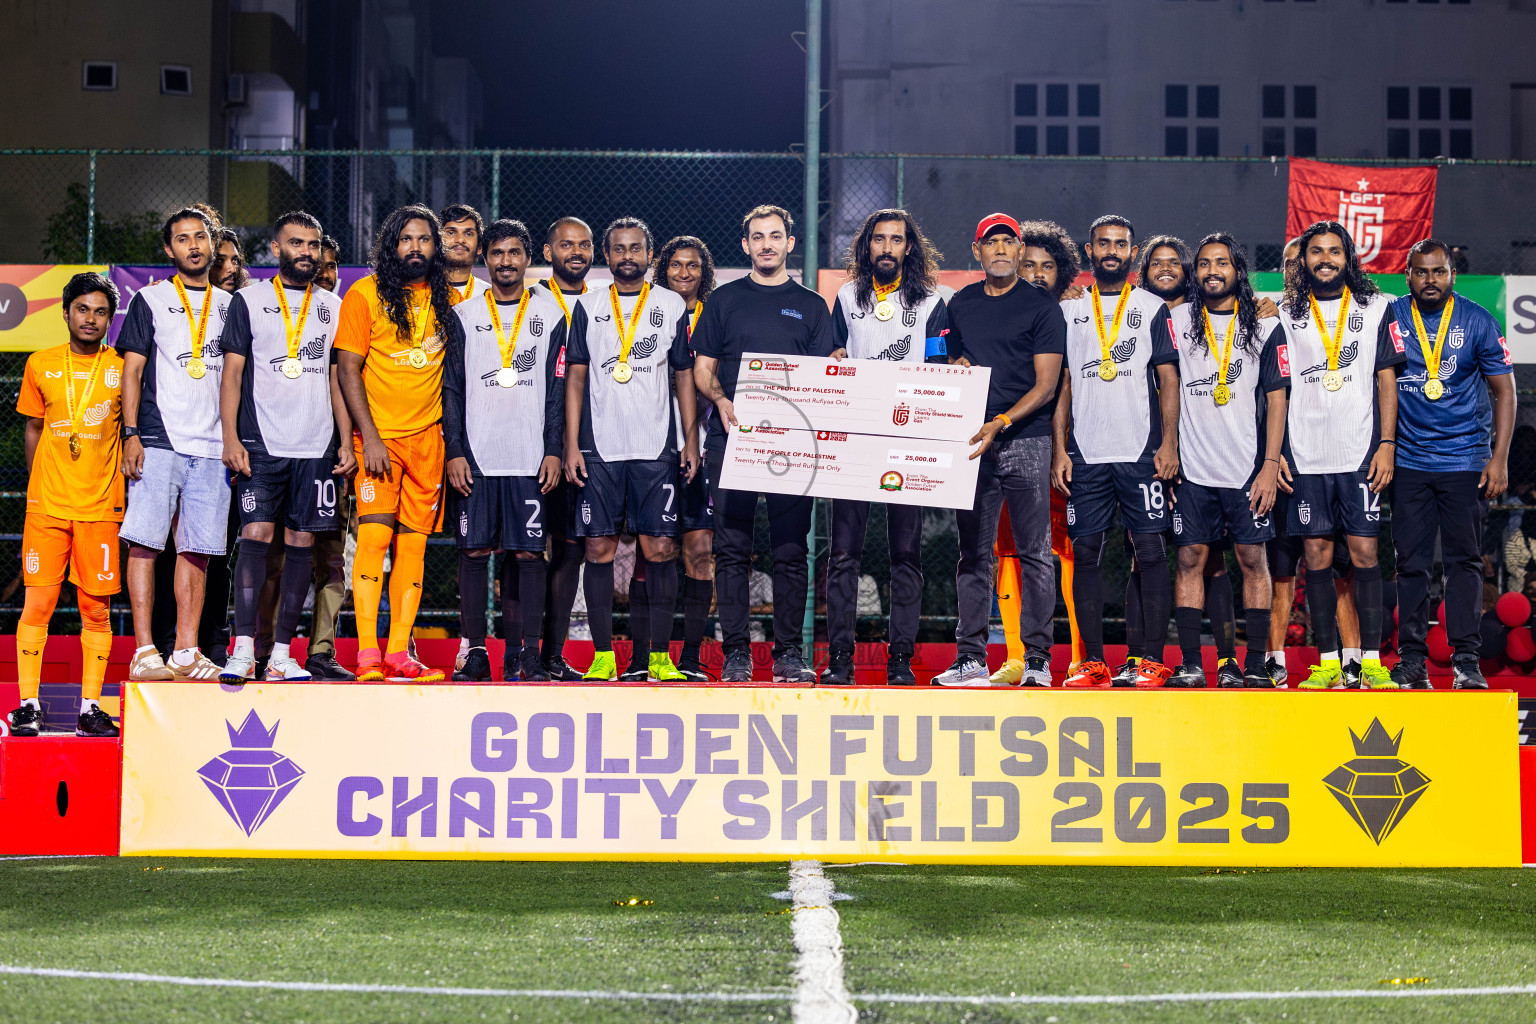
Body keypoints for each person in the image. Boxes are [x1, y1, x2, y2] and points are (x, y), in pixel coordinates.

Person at [692, 204, 837, 683]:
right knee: (732, 550)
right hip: (731, 440)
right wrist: (722, 400)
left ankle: (789, 654)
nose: (767, 244)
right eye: (758, 237)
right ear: (746, 245)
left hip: (794, 448)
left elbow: (825, 380)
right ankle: (735, 651)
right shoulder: (723, 300)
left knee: (792, 551)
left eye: (776, 236)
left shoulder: (814, 306)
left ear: (790, 243)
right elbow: (703, 372)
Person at [217, 211, 354, 682]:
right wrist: (231, 437)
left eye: (314, 245)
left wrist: (345, 442)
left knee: (302, 542)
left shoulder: (334, 307)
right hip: (261, 442)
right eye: (297, 243)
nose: (306, 252)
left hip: (316, 445)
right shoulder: (248, 301)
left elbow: (338, 377)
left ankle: (280, 655)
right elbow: (231, 374)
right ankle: (242, 650)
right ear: (276, 249)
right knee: (254, 538)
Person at [933, 212, 1066, 687]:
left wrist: (1003, 421)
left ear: (1019, 248)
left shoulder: (1041, 306)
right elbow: (941, 359)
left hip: (1025, 440)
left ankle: (1036, 661)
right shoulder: (960, 304)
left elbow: (1047, 386)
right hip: (973, 443)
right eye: (992, 242)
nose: (1002, 250)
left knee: (1034, 552)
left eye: (1010, 241)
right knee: (973, 554)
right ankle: (970, 659)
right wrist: (953, 362)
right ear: (978, 251)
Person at [816, 209, 948, 686]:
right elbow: (833, 354)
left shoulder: (932, 302)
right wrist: (834, 358)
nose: (887, 248)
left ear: (909, 248)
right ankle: (841, 659)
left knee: (905, 556)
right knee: (844, 555)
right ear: (867, 247)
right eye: (879, 239)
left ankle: (900, 659)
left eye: (896, 240)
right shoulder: (847, 297)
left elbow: (938, 364)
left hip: (906, 440)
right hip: (854, 439)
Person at [565, 217, 698, 682]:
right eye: (618, 249)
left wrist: (690, 441)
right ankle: (603, 655)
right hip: (600, 449)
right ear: (608, 255)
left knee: (660, 550)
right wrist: (571, 445)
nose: (627, 256)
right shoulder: (588, 306)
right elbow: (576, 378)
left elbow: (683, 376)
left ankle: (659, 656)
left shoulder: (670, 305)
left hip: (654, 446)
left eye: (636, 248)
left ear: (648, 252)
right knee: (598, 548)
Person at [335, 204, 460, 682]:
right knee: (372, 540)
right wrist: (368, 435)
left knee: (414, 550)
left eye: (424, 239)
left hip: (428, 442)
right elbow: (347, 368)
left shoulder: (446, 298)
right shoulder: (364, 294)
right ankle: (367, 653)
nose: (415, 247)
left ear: (435, 246)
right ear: (392, 244)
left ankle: (399, 654)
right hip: (378, 441)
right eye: (406, 239)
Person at [1053, 215, 1178, 689]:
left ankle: (1147, 660)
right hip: (1086, 454)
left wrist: (1169, 443)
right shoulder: (1070, 310)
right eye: (1102, 243)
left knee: (1148, 551)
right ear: (1089, 251)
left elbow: (1169, 380)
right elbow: (1063, 383)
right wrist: (1059, 449)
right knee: (1085, 552)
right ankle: (1092, 663)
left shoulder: (1152, 307)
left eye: (1120, 244)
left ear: (1132, 252)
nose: (1111, 251)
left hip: (1141, 451)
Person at [1280, 221, 1405, 690]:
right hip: (1307, 455)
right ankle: (1330, 662)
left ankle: (1370, 662)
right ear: (1305, 259)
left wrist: (1387, 445)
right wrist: (1278, 455)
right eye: (1317, 251)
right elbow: (1278, 390)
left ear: (1348, 257)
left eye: (1334, 250)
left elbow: (1386, 381)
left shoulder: (1377, 308)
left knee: (1365, 552)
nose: (1325, 259)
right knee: (1315, 555)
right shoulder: (1285, 313)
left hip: (1359, 453)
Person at [1113, 234, 1241, 686]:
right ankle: (1138, 658)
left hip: (1202, 452)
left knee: (1210, 559)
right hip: (1143, 451)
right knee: (1142, 555)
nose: (1165, 270)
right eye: (1155, 264)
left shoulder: (1202, 315)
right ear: (1142, 272)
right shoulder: (1127, 313)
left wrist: (1267, 305)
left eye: (1175, 263)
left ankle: (1225, 660)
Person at [1389, 238, 1515, 690]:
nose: (1430, 280)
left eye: (1438, 272)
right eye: (1421, 272)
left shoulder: (1478, 320)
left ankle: (1465, 660)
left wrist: (1498, 458)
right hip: (1407, 460)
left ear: (1452, 275)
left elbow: (1505, 390)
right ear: (1408, 275)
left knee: (1465, 561)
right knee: (1411, 563)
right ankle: (1412, 661)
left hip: (1464, 459)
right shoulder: (1392, 318)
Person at [443, 219, 564, 682]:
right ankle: (475, 653)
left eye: (515, 253)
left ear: (527, 258)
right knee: (474, 555)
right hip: (477, 457)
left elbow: (556, 392)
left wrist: (553, 449)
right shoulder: (464, 315)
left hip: (530, 458)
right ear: (485, 259)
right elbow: (451, 389)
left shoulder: (550, 315)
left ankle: (524, 654)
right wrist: (455, 450)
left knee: (529, 555)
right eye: (497, 253)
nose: (506, 261)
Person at [1166, 234, 1288, 689]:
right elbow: (1164, 385)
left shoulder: (1262, 324)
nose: (1212, 270)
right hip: (1194, 468)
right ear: (1195, 272)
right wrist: (1169, 451)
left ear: (1238, 269)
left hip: (1246, 468)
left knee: (1253, 559)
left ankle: (1255, 663)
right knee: (1190, 559)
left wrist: (1270, 464)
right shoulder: (1176, 320)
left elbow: (1277, 399)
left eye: (1222, 262)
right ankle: (1193, 663)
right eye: (1203, 264)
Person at [8, 273, 124, 738]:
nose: (90, 318)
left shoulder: (122, 366)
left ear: (110, 320)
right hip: (48, 506)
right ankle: (28, 706)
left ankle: (91, 706)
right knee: (38, 604)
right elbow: (33, 428)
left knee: (96, 611)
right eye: (82, 309)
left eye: (100, 311)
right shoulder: (40, 363)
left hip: (101, 506)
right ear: (65, 312)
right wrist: (41, 483)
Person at [118, 207, 231, 682]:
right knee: (145, 543)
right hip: (160, 439)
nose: (193, 245)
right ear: (169, 249)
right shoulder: (149, 299)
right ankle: (145, 650)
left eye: (200, 236)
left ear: (212, 242)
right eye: (182, 239)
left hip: (213, 445)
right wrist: (130, 434)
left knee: (197, 550)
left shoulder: (230, 305)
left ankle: (186, 649)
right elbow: (132, 372)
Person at [989, 220, 1083, 685]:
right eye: (1031, 265)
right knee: (1009, 551)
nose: (1039, 274)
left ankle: (1079, 657)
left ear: (1062, 273)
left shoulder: (1076, 312)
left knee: (1064, 552)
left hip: (1063, 449)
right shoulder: (998, 309)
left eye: (1049, 267)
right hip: (1012, 446)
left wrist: (1060, 447)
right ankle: (1015, 656)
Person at [1265, 236, 1362, 687]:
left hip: (1334, 461)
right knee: (1280, 567)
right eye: (1286, 265)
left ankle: (1351, 662)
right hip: (1281, 465)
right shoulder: (1269, 318)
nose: (1292, 272)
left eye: (1294, 265)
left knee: (1340, 567)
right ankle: (1275, 661)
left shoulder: (1338, 315)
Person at [643, 235, 719, 682]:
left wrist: (693, 381)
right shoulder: (647, 312)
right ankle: (648, 655)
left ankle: (690, 655)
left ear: (703, 272)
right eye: (675, 265)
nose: (684, 273)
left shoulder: (713, 316)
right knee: (651, 552)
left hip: (703, 443)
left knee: (699, 551)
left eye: (693, 265)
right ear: (663, 270)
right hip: (650, 444)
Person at [532, 216, 596, 681]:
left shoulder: (604, 304)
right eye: (566, 244)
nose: (576, 251)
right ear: (548, 251)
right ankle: (520, 651)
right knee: (526, 552)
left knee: (571, 550)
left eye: (584, 244)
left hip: (585, 443)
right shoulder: (529, 299)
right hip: (531, 444)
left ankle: (553, 654)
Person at [441, 204, 489, 303]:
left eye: (468, 234)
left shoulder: (490, 296)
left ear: (479, 247)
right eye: (451, 233)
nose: (460, 240)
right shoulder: (422, 293)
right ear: (437, 242)